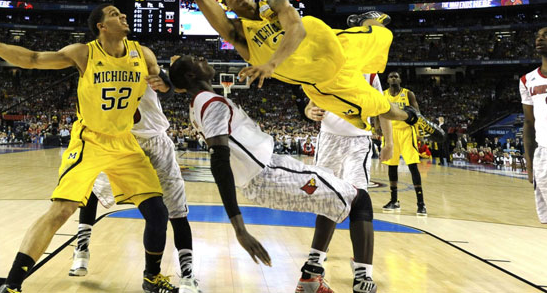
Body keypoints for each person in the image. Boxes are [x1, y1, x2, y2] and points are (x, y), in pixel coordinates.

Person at [0, 4, 177, 293]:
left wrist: (165, 82)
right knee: (62, 210)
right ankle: (13, 284)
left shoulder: (143, 53)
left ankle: (152, 278)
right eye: (115, 14)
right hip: (90, 139)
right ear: (101, 26)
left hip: (125, 142)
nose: (124, 16)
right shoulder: (84, 52)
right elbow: (33, 58)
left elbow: (163, 83)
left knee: (157, 212)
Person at [192, 0, 443, 138]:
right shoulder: (238, 33)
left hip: (334, 45)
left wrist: (271, 64)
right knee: (372, 105)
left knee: (384, 35)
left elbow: (297, 30)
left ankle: (368, 20)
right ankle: (412, 118)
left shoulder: (276, 3)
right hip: (321, 81)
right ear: (228, 5)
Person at [169, 55, 379, 293]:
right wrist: (240, 229)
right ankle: (363, 281)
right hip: (272, 175)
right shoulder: (211, 104)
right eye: (196, 60)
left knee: (332, 198)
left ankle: (311, 277)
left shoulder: (198, 104)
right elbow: (219, 163)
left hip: (268, 176)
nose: (204, 58)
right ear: (190, 76)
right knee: (360, 199)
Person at [69, 84, 201, 293]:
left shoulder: (142, 60)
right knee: (94, 188)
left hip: (154, 141)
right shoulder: (98, 68)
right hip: (122, 142)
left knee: (175, 211)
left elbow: (167, 90)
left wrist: (166, 81)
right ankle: (82, 250)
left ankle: (186, 276)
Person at [302, 74, 392, 293]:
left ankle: (362, 273)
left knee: (359, 198)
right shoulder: (327, 65)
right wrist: (309, 112)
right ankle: (314, 266)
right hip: (329, 140)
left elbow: (383, 108)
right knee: (328, 198)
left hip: (358, 140)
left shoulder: (370, 72)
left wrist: (389, 141)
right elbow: (310, 105)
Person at [519, 26, 547, 224]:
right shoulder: (527, 80)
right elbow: (528, 124)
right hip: (546, 153)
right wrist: (530, 164)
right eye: (538, 36)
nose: (540, 39)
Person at [380, 71, 428, 217]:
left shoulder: (408, 94)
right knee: (392, 167)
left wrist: (420, 132)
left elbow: (417, 114)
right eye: (391, 77)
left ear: (400, 79)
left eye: (396, 76)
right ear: (387, 80)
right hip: (391, 132)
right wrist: (377, 128)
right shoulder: (383, 94)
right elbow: (379, 112)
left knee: (413, 166)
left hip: (407, 131)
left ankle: (421, 204)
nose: (393, 78)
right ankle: (394, 201)